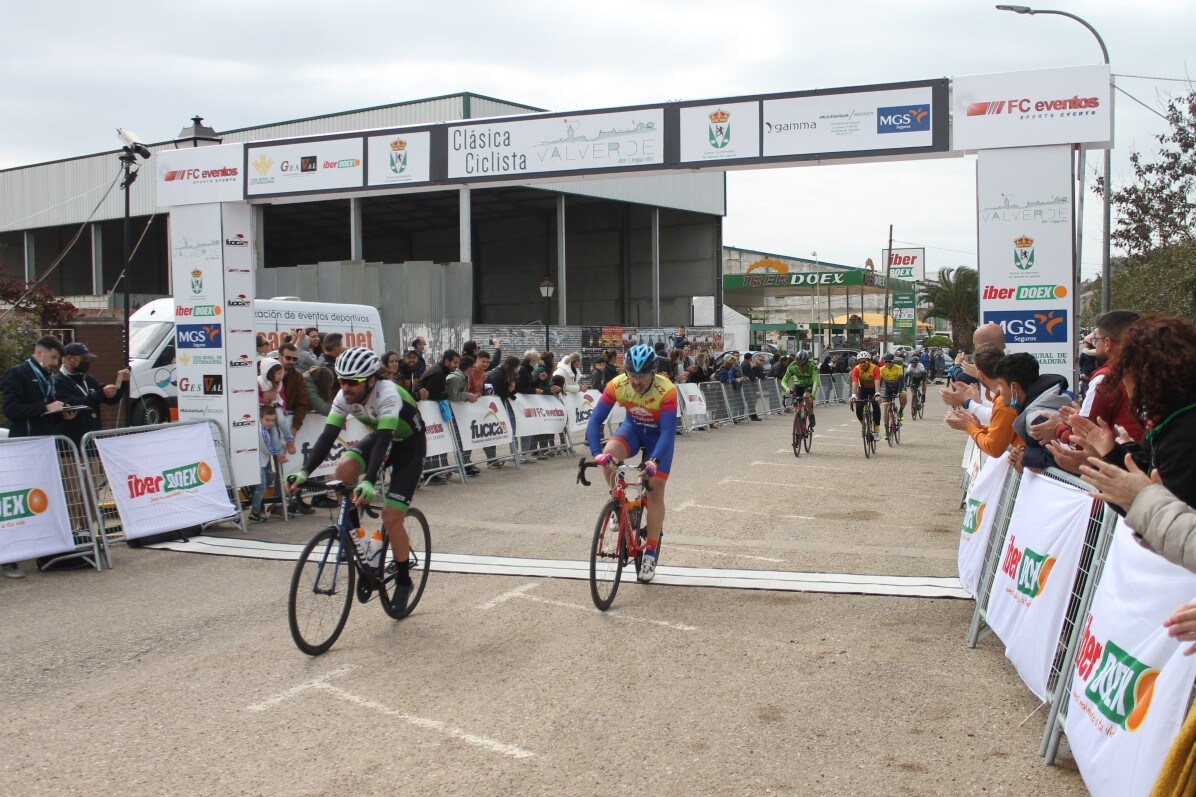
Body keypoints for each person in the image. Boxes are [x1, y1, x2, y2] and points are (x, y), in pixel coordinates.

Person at [287, 347, 425, 610]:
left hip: (408, 446)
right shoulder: (344, 395)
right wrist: (304, 471)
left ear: (372, 380)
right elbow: (328, 436)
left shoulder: (388, 395)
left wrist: (369, 481)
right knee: (343, 469)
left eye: (353, 382)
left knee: (391, 517)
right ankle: (357, 539)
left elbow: (385, 442)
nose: (346, 387)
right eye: (342, 381)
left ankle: (405, 581)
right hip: (382, 438)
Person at [585, 344, 678, 583]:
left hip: (658, 437)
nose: (637, 381)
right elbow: (595, 422)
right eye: (633, 375)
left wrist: (654, 461)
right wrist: (597, 454)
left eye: (643, 375)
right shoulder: (617, 384)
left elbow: (668, 431)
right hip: (633, 430)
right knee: (609, 456)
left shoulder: (666, 390)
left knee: (655, 491)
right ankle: (618, 503)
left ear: (653, 372)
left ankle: (650, 553)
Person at [1, 335, 75, 579]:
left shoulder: (47, 377)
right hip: (25, 446)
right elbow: (11, 409)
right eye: (53, 357)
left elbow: (45, 408)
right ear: (39, 352)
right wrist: (45, 408)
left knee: (44, 497)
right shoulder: (17, 374)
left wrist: (60, 414)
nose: (55, 363)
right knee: (19, 501)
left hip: (45, 445)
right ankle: (9, 559)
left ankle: (43, 548)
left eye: (57, 359)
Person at [996, 353, 1069, 474]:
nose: (998, 390)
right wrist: (1026, 451)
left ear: (1014, 387)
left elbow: (1063, 457)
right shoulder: (1048, 402)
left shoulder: (1037, 419)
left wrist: (1025, 458)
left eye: (1000, 385)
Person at [944, 345, 1018, 457]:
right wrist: (978, 425)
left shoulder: (1005, 400)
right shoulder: (1004, 397)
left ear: (981, 375)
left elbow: (993, 448)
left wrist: (969, 425)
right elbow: (998, 421)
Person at [52, 342, 129, 449]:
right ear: (69, 359)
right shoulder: (58, 381)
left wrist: (122, 382)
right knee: (73, 466)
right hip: (71, 444)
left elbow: (111, 399)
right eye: (83, 360)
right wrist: (99, 394)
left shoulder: (88, 379)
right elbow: (72, 404)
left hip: (93, 441)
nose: (86, 363)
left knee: (94, 464)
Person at [249, 404, 287, 523]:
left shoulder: (266, 430)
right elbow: (266, 448)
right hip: (258, 461)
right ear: (260, 419)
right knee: (262, 486)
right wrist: (278, 453)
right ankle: (254, 512)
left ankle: (252, 495)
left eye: (272, 420)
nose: (270, 423)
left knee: (268, 480)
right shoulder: (262, 431)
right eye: (267, 420)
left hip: (263, 461)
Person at [780, 350, 817, 427]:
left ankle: (811, 416)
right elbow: (783, 381)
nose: (800, 367)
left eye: (803, 365)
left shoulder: (812, 365)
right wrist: (787, 388)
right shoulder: (792, 367)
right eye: (798, 365)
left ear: (807, 362)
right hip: (798, 385)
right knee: (796, 404)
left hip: (809, 384)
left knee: (806, 396)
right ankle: (798, 419)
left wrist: (813, 393)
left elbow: (816, 380)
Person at [850, 351, 881, 436]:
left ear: (869, 361)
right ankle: (863, 425)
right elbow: (854, 383)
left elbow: (877, 382)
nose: (863, 364)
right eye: (861, 362)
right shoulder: (856, 369)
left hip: (873, 389)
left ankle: (877, 430)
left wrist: (878, 394)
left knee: (875, 405)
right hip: (862, 389)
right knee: (858, 407)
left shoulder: (875, 368)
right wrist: (853, 396)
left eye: (865, 361)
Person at [878, 352, 906, 429]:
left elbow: (900, 380)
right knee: (885, 408)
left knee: (904, 396)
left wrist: (899, 392)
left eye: (889, 362)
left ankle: (901, 411)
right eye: (885, 362)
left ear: (893, 361)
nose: (887, 363)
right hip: (888, 388)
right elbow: (879, 381)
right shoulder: (882, 369)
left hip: (898, 386)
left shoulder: (898, 368)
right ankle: (886, 428)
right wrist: (878, 392)